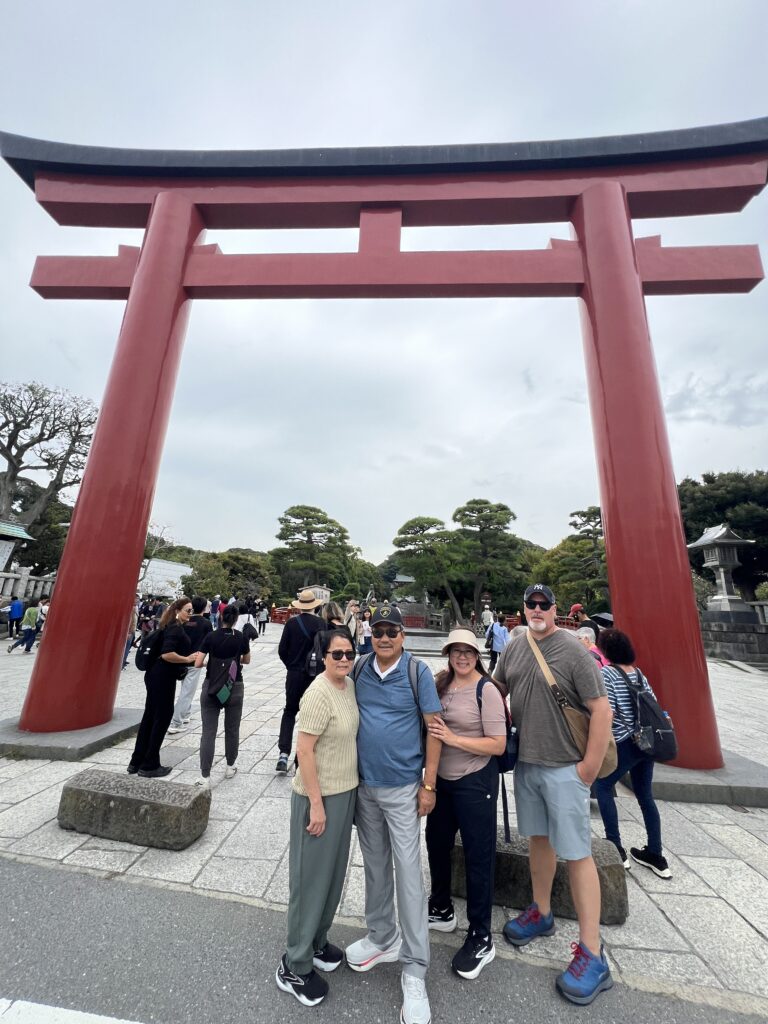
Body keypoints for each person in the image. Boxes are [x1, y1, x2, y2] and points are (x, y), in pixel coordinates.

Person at [495, 583, 614, 1006]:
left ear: (556, 609)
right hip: (528, 763)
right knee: (539, 841)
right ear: (523, 607)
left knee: (578, 852)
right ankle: (541, 911)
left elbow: (602, 709)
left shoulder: (573, 650)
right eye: (532, 604)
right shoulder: (514, 646)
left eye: (545, 604)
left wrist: (588, 769)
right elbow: (495, 691)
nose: (538, 609)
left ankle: (593, 953)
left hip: (566, 767)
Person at [345, 605, 442, 1024]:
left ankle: (415, 965)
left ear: (402, 636)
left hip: (404, 786)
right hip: (365, 784)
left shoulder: (417, 672)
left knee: (408, 871)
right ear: (371, 633)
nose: (384, 637)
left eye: (392, 631)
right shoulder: (361, 667)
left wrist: (429, 785)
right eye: (378, 630)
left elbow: (434, 727)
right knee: (375, 866)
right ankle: (382, 935)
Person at [276, 630, 359, 1006]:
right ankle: (294, 962)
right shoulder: (318, 692)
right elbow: (304, 751)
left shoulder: (349, 685)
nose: (343, 659)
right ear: (322, 656)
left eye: (349, 652)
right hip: (318, 795)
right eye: (336, 653)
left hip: (345, 792)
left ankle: (318, 940)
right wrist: (317, 803)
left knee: (332, 877)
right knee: (309, 880)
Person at [425, 627, 507, 979]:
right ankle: (441, 906)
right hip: (442, 780)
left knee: (478, 855)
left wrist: (455, 738)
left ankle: (481, 934)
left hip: (475, 781)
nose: (462, 657)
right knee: (436, 844)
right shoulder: (441, 682)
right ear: (448, 653)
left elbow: (498, 745)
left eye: (468, 651)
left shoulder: (485, 689)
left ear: (478, 654)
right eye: (456, 651)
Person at [593, 629, 671, 878]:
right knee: (645, 795)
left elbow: (609, 711)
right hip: (646, 742)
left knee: (603, 786)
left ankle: (615, 846)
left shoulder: (607, 673)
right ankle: (656, 854)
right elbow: (654, 703)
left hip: (625, 741)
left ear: (606, 651)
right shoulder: (638, 673)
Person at [127, 597, 198, 779]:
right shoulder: (174, 628)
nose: (190, 614)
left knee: (150, 716)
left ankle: (137, 761)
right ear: (177, 610)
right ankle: (150, 764)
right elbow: (167, 654)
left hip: (154, 674)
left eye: (191, 610)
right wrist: (188, 659)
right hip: (163, 676)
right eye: (187, 610)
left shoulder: (167, 625)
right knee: (162, 717)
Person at [193, 602, 251, 787]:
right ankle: (230, 766)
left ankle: (205, 776)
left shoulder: (211, 636)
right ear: (235, 620)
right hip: (234, 686)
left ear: (221, 617)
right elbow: (247, 660)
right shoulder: (240, 637)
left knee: (208, 732)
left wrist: (212, 663)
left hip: (211, 685)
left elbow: (197, 663)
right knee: (232, 729)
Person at [276, 589, 325, 773]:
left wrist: (291, 664)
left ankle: (283, 752)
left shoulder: (291, 623)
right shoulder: (321, 624)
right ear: (315, 605)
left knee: (289, 711)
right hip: (314, 676)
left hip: (294, 674)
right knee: (308, 716)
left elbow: (282, 650)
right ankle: (300, 757)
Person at [168, 596, 214, 734]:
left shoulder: (185, 620)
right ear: (205, 607)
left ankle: (186, 714)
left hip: (181, 659)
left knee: (185, 688)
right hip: (194, 660)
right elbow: (210, 643)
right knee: (187, 692)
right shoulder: (206, 623)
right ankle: (176, 722)